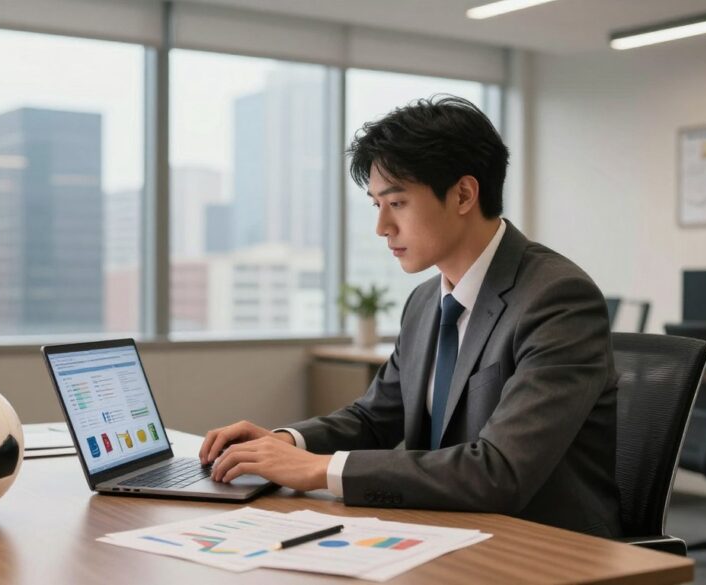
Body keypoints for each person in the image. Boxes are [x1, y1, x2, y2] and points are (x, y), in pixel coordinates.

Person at [199, 95, 621, 537]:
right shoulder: (425, 302)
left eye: (396, 203)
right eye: (375, 205)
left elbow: (500, 471)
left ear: (463, 194)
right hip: (441, 529)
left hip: (542, 546)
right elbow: (374, 418)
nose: (381, 226)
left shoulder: (557, 299)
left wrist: (319, 469)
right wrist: (285, 444)